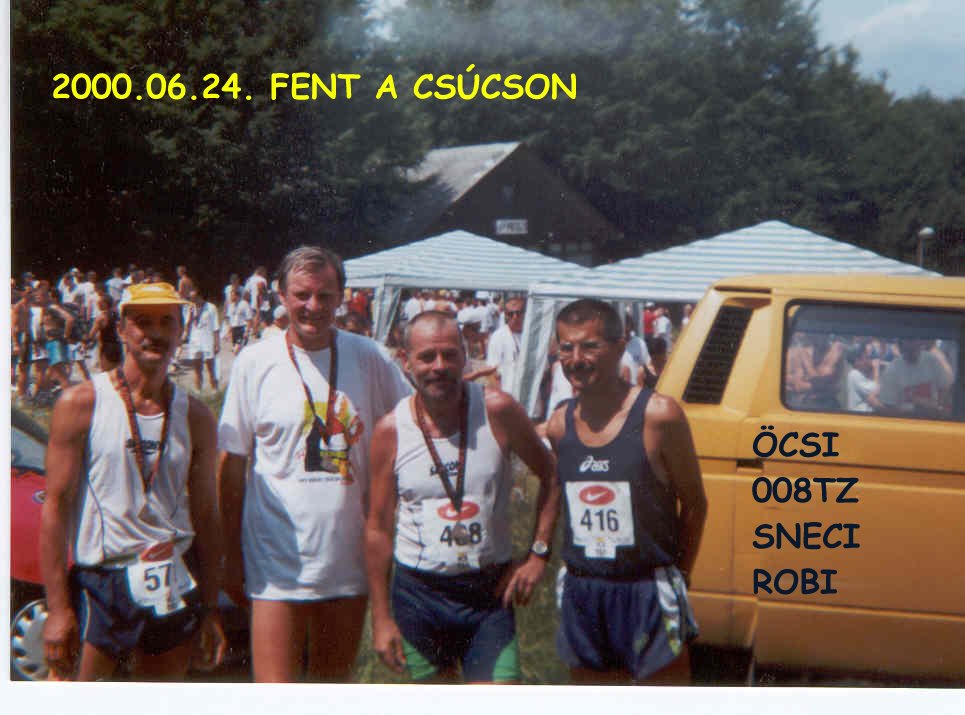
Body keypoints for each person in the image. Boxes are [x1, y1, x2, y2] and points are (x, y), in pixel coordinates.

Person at [218, 245, 412, 683]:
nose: (313, 307)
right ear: (281, 296)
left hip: (347, 558)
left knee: (332, 690)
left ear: (342, 297)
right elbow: (231, 466)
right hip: (275, 561)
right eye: (302, 295)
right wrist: (230, 556)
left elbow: (415, 423)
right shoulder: (255, 362)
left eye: (325, 296)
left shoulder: (369, 357)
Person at [39, 282, 225, 681]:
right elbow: (54, 506)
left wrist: (210, 607)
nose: (155, 333)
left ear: (180, 331)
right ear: (122, 330)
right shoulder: (82, 404)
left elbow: (207, 514)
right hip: (103, 581)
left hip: (171, 576)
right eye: (143, 322)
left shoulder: (196, 416)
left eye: (167, 322)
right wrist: (57, 609)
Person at [365, 311, 560, 683]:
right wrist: (381, 617)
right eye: (427, 357)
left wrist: (538, 554)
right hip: (419, 595)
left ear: (465, 356)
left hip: (487, 595)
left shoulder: (497, 410)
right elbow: (377, 527)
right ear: (406, 362)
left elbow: (551, 475)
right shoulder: (391, 430)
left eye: (450, 354)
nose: (439, 366)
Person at [545, 299, 707, 685]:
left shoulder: (658, 415)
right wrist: (539, 549)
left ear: (620, 347)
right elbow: (556, 489)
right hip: (585, 588)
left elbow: (696, 504)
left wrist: (679, 575)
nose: (576, 359)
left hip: (647, 589)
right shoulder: (560, 423)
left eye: (590, 346)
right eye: (567, 348)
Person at [878, 338, 954, 417]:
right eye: (909, 341)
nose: (912, 345)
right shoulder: (892, 369)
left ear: (920, 343)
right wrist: (915, 407)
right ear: (901, 345)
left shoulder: (931, 360)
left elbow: (944, 389)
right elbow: (889, 407)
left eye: (914, 341)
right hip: (905, 419)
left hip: (933, 417)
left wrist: (938, 406)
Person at [468, 296, 526, 392]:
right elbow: (492, 372)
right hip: (508, 392)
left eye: (518, 313)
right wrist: (500, 395)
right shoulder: (498, 336)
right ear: (505, 315)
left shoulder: (532, 336)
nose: (515, 317)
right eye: (510, 314)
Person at [181, 290, 220, 392]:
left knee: (211, 368)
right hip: (195, 341)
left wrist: (217, 343)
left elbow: (216, 327)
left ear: (200, 296)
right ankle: (199, 391)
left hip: (207, 340)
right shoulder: (189, 308)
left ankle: (215, 390)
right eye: (191, 299)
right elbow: (187, 327)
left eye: (194, 298)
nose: (192, 301)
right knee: (197, 370)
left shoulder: (211, 308)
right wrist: (190, 316)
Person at [224, 287, 254, 353]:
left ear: (237, 296)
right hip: (234, 330)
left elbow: (249, 319)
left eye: (232, 296)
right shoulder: (231, 306)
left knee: (236, 350)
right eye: (230, 296)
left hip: (242, 329)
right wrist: (228, 333)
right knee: (237, 351)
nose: (230, 297)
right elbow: (231, 321)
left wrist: (247, 331)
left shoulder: (244, 304)